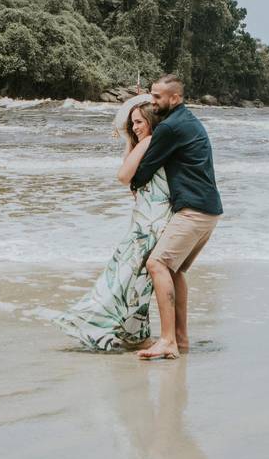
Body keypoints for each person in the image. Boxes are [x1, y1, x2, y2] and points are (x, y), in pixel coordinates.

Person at [53, 96, 174, 351]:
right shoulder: (151, 144)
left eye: (139, 122)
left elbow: (122, 176)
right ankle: (136, 335)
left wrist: (136, 142)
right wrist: (131, 139)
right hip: (148, 218)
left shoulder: (151, 142)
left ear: (151, 121)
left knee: (123, 275)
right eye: (133, 124)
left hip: (151, 222)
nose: (136, 127)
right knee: (135, 278)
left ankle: (90, 321)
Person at [124, 74, 223, 360]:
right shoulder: (189, 121)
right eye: (151, 95)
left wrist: (135, 184)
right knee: (175, 269)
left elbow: (146, 167)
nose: (152, 101)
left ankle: (167, 340)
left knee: (157, 263)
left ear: (175, 99)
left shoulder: (170, 127)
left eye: (157, 97)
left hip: (193, 211)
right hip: (209, 211)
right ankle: (180, 338)